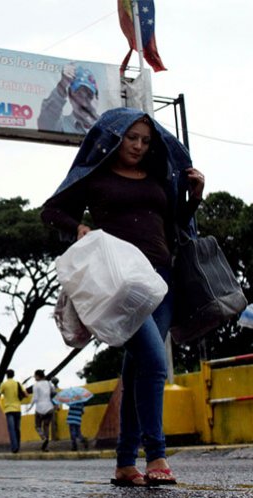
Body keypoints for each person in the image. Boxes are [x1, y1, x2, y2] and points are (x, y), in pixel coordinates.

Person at [41, 107, 205, 486]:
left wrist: (193, 196)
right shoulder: (95, 177)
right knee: (152, 360)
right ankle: (158, 454)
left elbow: (176, 223)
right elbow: (50, 212)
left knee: (137, 371)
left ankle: (125, 463)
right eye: (132, 138)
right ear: (114, 139)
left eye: (146, 141)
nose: (139, 146)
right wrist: (79, 226)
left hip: (161, 280)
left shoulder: (159, 179)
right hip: (119, 284)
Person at [37, 64, 99, 134]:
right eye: (79, 95)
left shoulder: (107, 127)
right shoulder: (60, 126)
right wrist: (62, 84)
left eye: (89, 95)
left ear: (97, 99)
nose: (84, 103)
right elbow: (46, 121)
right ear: (70, 98)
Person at [0, 369, 27, 453]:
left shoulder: (4, 384)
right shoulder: (18, 383)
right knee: (17, 429)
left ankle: (14, 447)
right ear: (13, 375)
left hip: (8, 409)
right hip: (18, 409)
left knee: (11, 429)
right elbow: (26, 394)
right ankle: (18, 446)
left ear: (6, 375)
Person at [29, 369, 55, 452]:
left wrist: (30, 406)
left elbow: (35, 398)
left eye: (35, 376)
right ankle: (46, 445)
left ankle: (43, 437)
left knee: (37, 426)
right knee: (46, 426)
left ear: (37, 376)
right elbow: (53, 393)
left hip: (40, 408)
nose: (34, 378)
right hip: (49, 408)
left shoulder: (36, 385)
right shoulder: (49, 383)